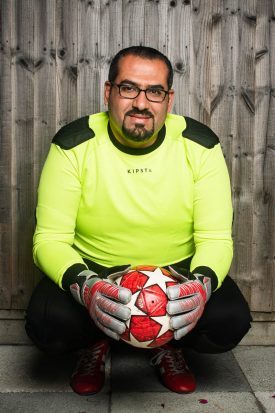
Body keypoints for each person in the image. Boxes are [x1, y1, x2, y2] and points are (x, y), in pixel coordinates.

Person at [25, 46, 252, 395]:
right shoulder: (73, 143)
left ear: (168, 99)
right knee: (46, 324)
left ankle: (166, 345)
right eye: (128, 88)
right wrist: (87, 288)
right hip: (97, 271)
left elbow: (216, 238)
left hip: (175, 274)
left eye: (155, 91)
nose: (141, 103)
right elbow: (49, 239)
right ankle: (95, 345)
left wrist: (201, 286)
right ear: (108, 92)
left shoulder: (200, 145)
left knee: (229, 319)